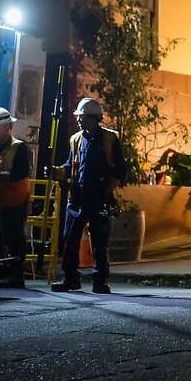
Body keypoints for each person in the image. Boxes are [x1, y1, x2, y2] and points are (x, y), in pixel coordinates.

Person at [49, 97, 127, 295]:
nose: (79, 120)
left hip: (100, 196)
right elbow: (71, 165)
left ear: (94, 118)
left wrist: (108, 192)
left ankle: (100, 281)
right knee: (70, 239)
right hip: (77, 197)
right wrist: (59, 171)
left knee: (100, 241)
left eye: (82, 117)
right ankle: (70, 278)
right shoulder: (76, 140)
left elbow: (119, 170)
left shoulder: (110, 139)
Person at [0, 107, 32, 288]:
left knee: (14, 239)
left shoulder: (19, 147)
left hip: (15, 201)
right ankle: (0, 274)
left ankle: (16, 276)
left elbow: (21, 172)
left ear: (8, 127)